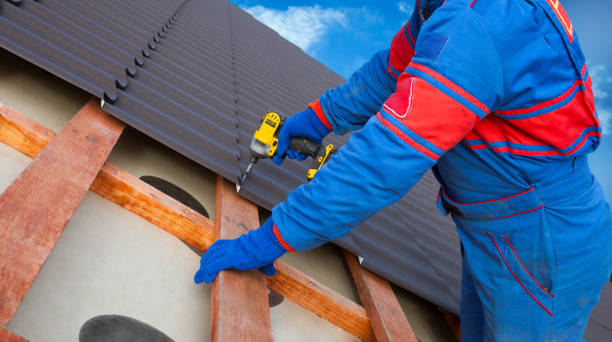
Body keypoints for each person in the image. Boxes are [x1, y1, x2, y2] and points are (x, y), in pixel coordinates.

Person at [194, 0, 612, 340]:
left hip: (542, 243)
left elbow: (383, 161)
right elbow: (388, 72)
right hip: (499, 234)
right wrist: (319, 117)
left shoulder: (476, 23)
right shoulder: (449, 9)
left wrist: (272, 238)